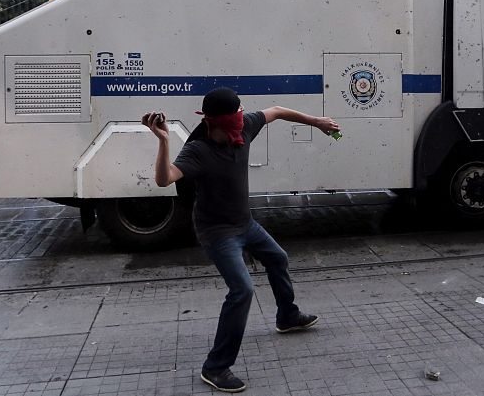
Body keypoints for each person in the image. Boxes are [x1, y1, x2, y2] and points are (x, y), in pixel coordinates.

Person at [142, 87, 339, 393]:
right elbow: (164, 178)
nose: (241, 123)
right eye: (235, 119)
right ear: (214, 122)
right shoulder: (198, 151)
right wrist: (164, 140)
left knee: (278, 258)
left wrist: (316, 121)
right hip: (217, 233)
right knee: (242, 290)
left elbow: (275, 111)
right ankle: (216, 367)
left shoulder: (245, 126)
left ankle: (287, 316)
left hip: (245, 224)